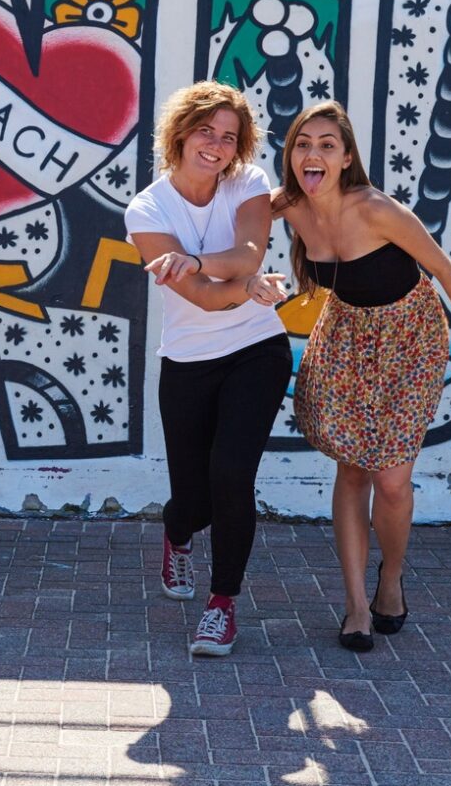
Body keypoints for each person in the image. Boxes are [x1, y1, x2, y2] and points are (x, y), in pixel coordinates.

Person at [273, 101, 451, 653]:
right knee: (352, 469)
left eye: (326, 144)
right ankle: (354, 606)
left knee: (391, 479)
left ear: (346, 158)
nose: (312, 153)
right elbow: (226, 215)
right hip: (345, 336)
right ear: (291, 155)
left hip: (411, 339)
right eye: (303, 143)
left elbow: (443, 268)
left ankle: (390, 578)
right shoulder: (290, 207)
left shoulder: (375, 210)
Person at [125, 81, 290, 657]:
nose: (216, 146)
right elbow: (202, 297)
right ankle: (176, 535)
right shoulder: (147, 208)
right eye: (206, 131)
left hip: (257, 352)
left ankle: (223, 607)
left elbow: (248, 254)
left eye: (229, 137)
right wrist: (245, 286)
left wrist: (209, 264)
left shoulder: (248, 182)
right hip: (189, 361)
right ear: (180, 132)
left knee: (231, 477)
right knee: (193, 501)